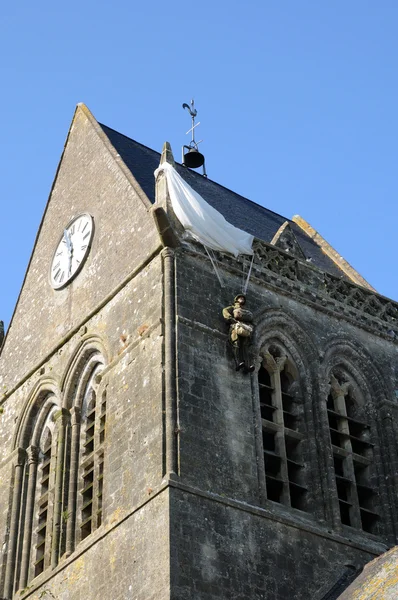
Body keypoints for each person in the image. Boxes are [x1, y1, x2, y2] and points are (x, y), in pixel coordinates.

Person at [222, 294, 255, 373]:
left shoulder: (245, 310)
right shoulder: (233, 308)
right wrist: (230, 318)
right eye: (240, 298)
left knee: (245, 346)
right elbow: (225, 311)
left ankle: (247, 365)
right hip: (235, 328)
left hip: (244, 328)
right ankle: (238, 363)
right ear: (237, 300)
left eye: (243, 298)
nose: (242, 299)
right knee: (236, 343)